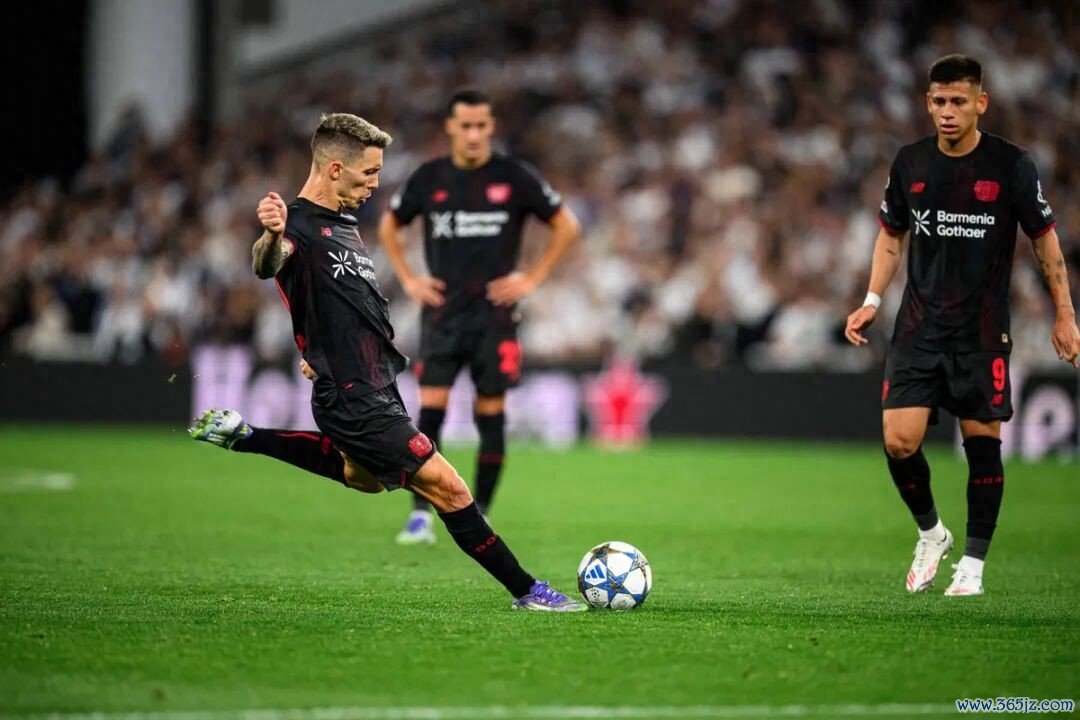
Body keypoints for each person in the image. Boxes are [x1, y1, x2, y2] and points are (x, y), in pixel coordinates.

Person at [190, 112, 585, 612]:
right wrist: (270, 236)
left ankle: (247, 436)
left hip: (372, 383)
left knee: (365, 478)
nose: (376, 183)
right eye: (369, 172)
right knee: (449, 488)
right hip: (354, 394)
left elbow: (333, 305)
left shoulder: (343, 225)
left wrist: (317, 351)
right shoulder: (298, 226)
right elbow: (268, 264)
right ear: (336, 169)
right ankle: (528, 590)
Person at [844, 55, 1080, 597]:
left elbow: (1045, 242)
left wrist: (1065, 314)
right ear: (927, 104)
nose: (947, 111)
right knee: (898, 441)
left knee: (982, 445)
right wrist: (872, 298)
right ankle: (932, 533)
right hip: (918, 328)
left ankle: (973, 563)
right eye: (939, 101)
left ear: (980, 103)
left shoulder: (1011, 166)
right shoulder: (910, 163)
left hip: (981, 332)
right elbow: (891, 235)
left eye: (958, 101)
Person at [378, 89, 581, 544]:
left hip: (494, 317)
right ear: (450, 127)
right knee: (430, 414)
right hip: (443, 315)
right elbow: (390, 224)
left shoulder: (513, 176)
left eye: (481, 126)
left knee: (491, 415)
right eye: (465, 125)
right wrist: (409, 278)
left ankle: (482, 512)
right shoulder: (429, 177)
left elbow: (567, 225)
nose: (473, 134)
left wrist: (531, 278)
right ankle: (421, 515)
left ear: (491, 127)